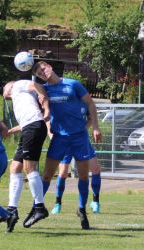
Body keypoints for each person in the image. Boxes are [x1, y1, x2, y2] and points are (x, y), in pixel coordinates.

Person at [31, 61, 102, 230]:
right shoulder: (45, 90)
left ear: (49, 66)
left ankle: (82, 210)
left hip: (79, 137)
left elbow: (90, 104)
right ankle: (36, 208)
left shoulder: (73, 84)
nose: (43, 73)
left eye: (43, 69)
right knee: (47, 176)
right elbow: (31, 86)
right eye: (39, 73)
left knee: (84, 176)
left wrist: (96, 127)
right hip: (60, 138)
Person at [2, 79, 50, 231]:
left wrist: (44, 99)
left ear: (10, 85)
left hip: (33, 127)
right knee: (15, 167)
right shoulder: (20, 98)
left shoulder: (18, 85)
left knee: (29, 169)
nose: (4, 92)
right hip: (28, 128)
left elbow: (38, 86)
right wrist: (9, 132)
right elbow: (24, 123)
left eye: (4, 87)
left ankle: (40, 207)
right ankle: (12, 209)